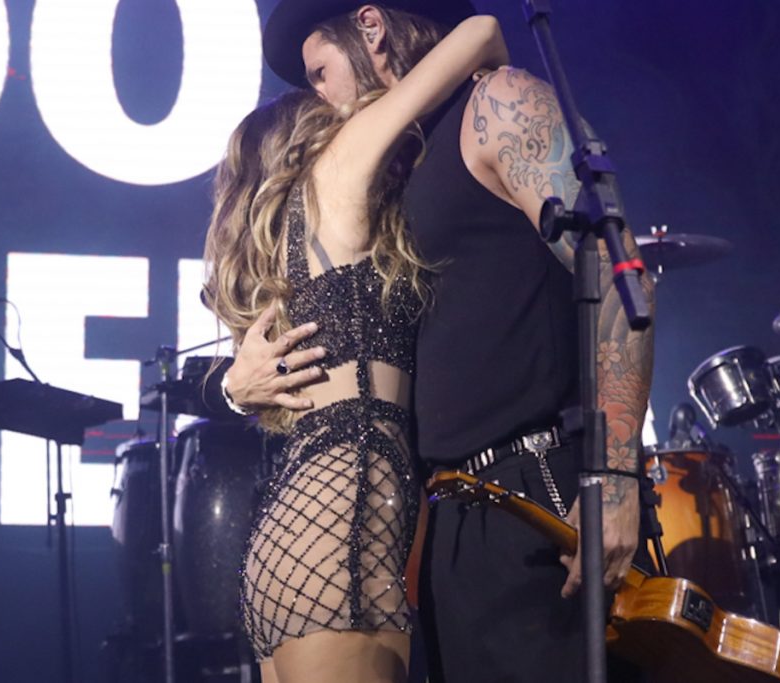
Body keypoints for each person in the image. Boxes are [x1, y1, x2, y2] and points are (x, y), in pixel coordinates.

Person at [227, 2, 658, 682]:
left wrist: (616, 474)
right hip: (444, 524)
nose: (317, 95)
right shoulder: (379, 174)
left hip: (541, 490)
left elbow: (615, 273)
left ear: (370, 28)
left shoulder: (493, 104)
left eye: (320, 72)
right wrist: (236, 383)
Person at [203, 15, 509, 683]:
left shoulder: (290, 239)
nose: (326, 98)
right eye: (313, 91)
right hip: (343, 540)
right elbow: (483, 29)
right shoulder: (340, 166)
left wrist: (230, 390)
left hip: (288, 541)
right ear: (306, 137)